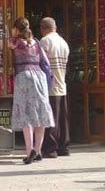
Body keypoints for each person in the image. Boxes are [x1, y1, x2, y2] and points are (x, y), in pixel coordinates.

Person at [0, 17, 55, 164]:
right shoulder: (37, 43)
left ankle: (29, 151)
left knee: (26, 114)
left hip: (24, 77)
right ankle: (38, 151)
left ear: (16, 29)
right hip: (39, 78)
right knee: (40, 114)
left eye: (13, 28)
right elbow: (45, 62)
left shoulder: (15, 42)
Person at [39, 17, 70, 158]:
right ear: (55, 27)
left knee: (51, 119)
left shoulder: (45, 41)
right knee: (63, 118)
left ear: (43, 29)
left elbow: (40, 62)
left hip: (50, 85)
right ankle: (64, 147)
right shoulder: (63, 43)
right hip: (62, 83)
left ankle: (51, 148)